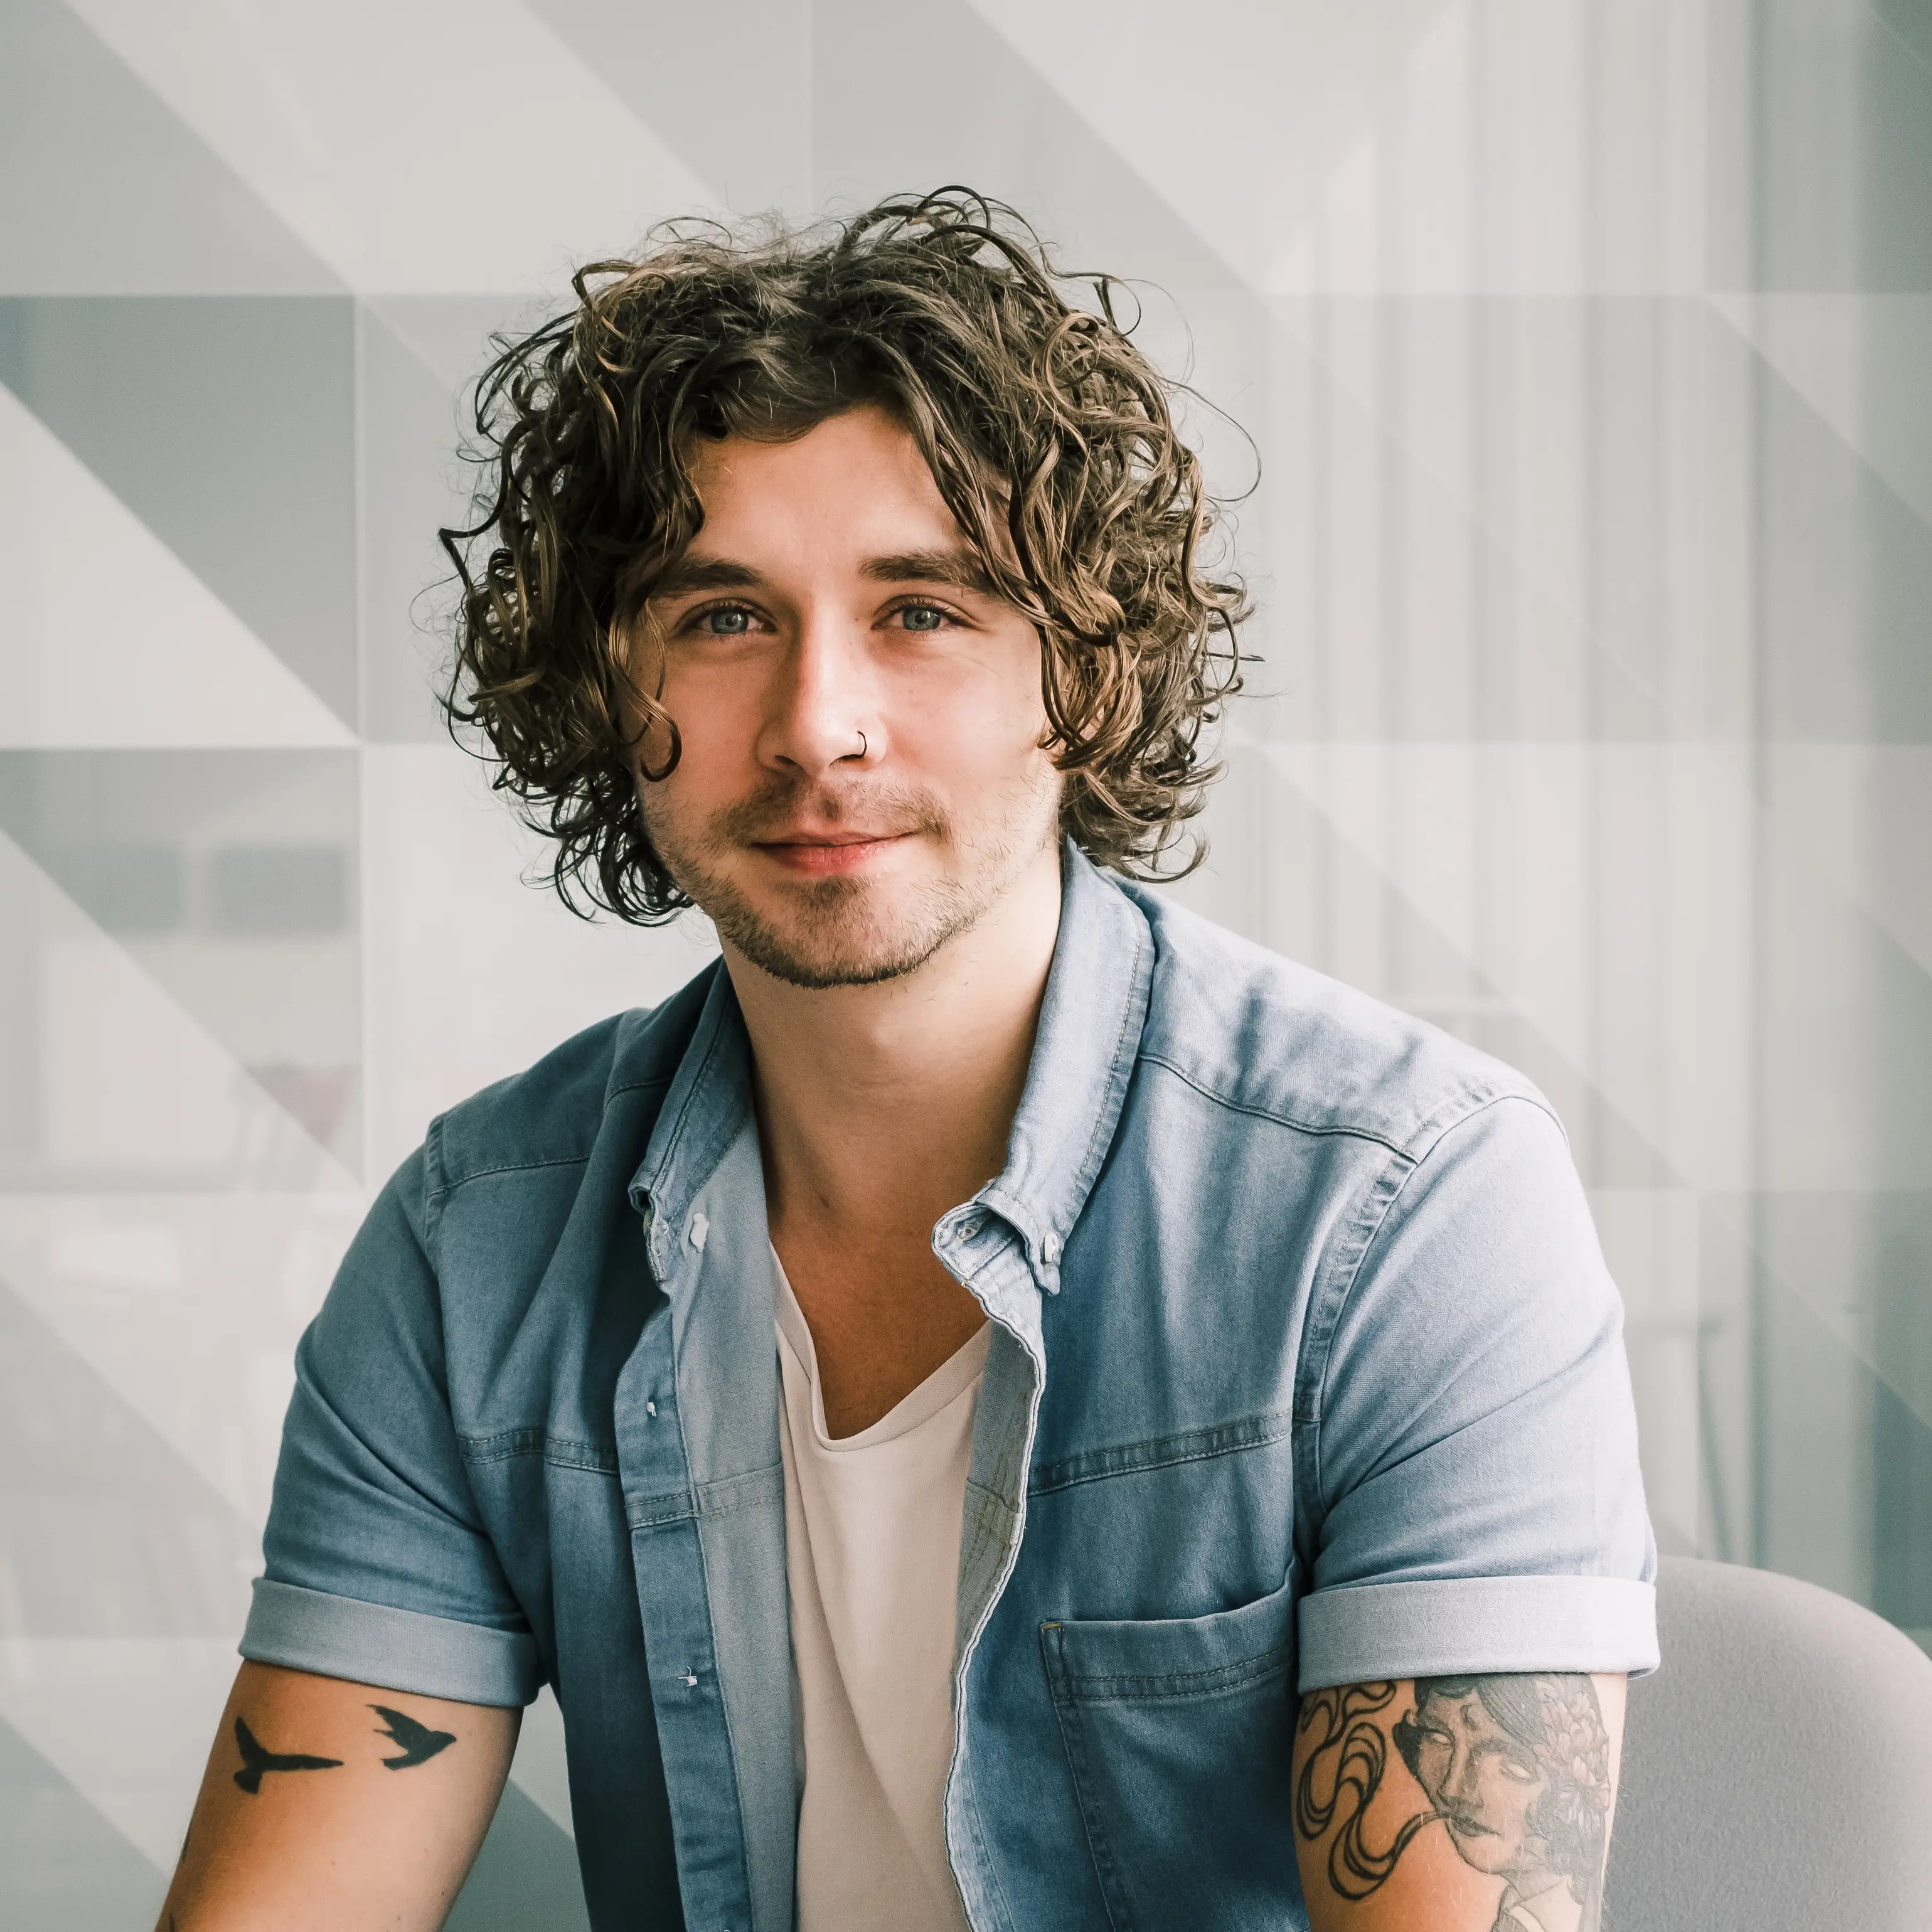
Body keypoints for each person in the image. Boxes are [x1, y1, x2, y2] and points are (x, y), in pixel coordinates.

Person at [155, 189, 1657, 1932]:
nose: (815, 722)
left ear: (1078, 670)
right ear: (604, 679)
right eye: (721, 617)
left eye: (921, 609)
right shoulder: (469, 1248)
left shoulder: (1401, 1207)